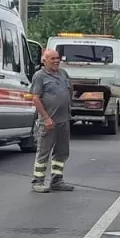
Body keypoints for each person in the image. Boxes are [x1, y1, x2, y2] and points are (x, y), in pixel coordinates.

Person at [30, 48, 74, 193]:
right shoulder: (40, 76)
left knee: (62, 152)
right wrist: (46, 118)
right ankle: (38, 181)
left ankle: (57, 180)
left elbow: (69, 91)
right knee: (43, 152)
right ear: (44, 61)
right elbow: (36, 98)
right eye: (52, 59)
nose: (56, 61)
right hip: (48, 122)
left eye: (57, 58)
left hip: (64, 120)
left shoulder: (63, 74)